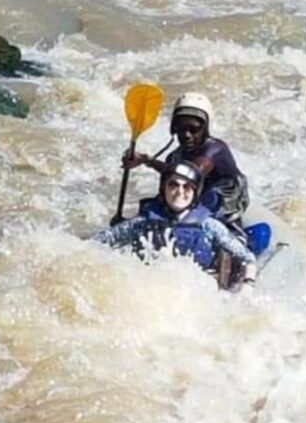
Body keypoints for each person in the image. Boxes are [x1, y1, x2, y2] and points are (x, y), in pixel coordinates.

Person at [95, 161, 258, 287]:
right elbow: (96, 243)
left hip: (200, 292)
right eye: (173, 185)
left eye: (187, 187)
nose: (180, 191)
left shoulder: (209, 226)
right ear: (163, 189)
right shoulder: (142, 224)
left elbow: (247, 257)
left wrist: (247, 286)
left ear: (195, 193)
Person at [124, 92, 250, 227]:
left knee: (210, 199)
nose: (187, 135)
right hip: (191, 205)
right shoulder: (174, 156)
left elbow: (190, 174)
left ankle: (239, 236)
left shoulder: (216, 150)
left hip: (223, 212)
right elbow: (173, 182)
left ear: (206, 129)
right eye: (181, 128)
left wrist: (146, 160)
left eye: (194, 129)